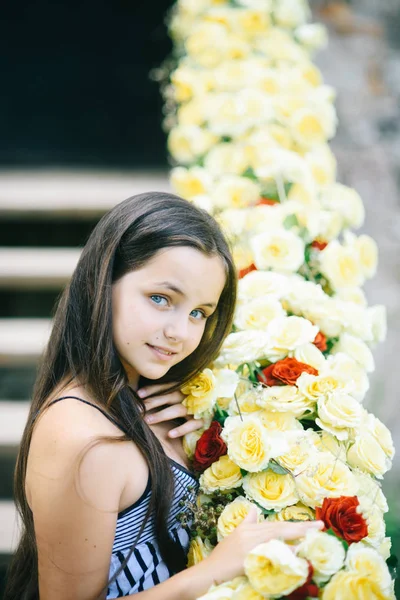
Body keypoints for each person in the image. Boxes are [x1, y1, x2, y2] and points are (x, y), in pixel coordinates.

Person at [4, 192, 322, 600]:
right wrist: (216, 569)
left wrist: (207, 417)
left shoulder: (144, 397)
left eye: (199, 313)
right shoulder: (81, 439)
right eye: (160, 299)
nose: (181, 333)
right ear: (103, 283)